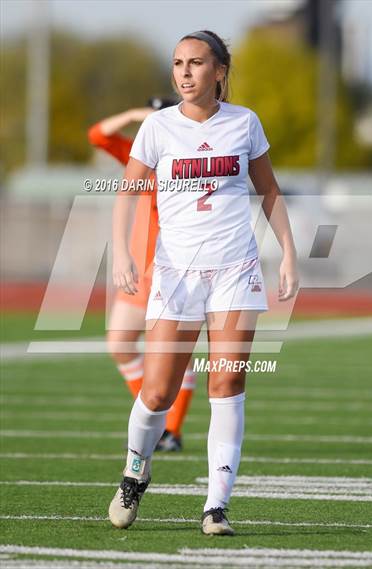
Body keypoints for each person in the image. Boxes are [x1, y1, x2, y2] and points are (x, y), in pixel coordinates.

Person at [108, 30, 298, 535]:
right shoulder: (157, 126)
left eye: (195, 63)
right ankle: (134, 471)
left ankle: (216, 505)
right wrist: (123, 253)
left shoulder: (245, 122)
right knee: (157, 392)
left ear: (219, 71)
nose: (184, 73)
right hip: (175, 274)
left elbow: (270, 191)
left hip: (235, 269)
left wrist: (289, 256)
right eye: (177, 64)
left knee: (228, 381)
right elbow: (126, 192)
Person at [88, 99, 197, 452]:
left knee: (172, 356)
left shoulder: (189, 158)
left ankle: (172, 431)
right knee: (119, 343)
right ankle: (156, 418)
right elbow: (97, 135)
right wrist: (134, 115)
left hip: (176, 267)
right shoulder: (143, 158)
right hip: (140, 271)